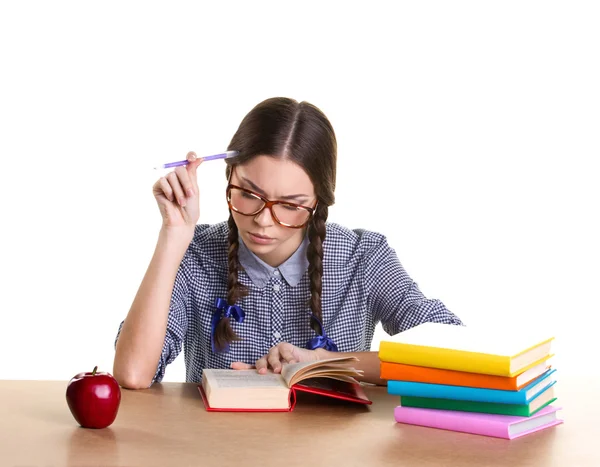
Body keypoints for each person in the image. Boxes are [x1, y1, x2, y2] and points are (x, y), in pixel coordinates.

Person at [113, 97, 463, 389]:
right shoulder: (195, 255)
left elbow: (457, 355)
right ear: (229, 176)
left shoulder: (363, 258)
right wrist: (174, 234)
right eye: (248, 194)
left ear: (317, 203)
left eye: (290, 206)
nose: (263, 220)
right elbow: (132, 374)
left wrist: (325, 363)